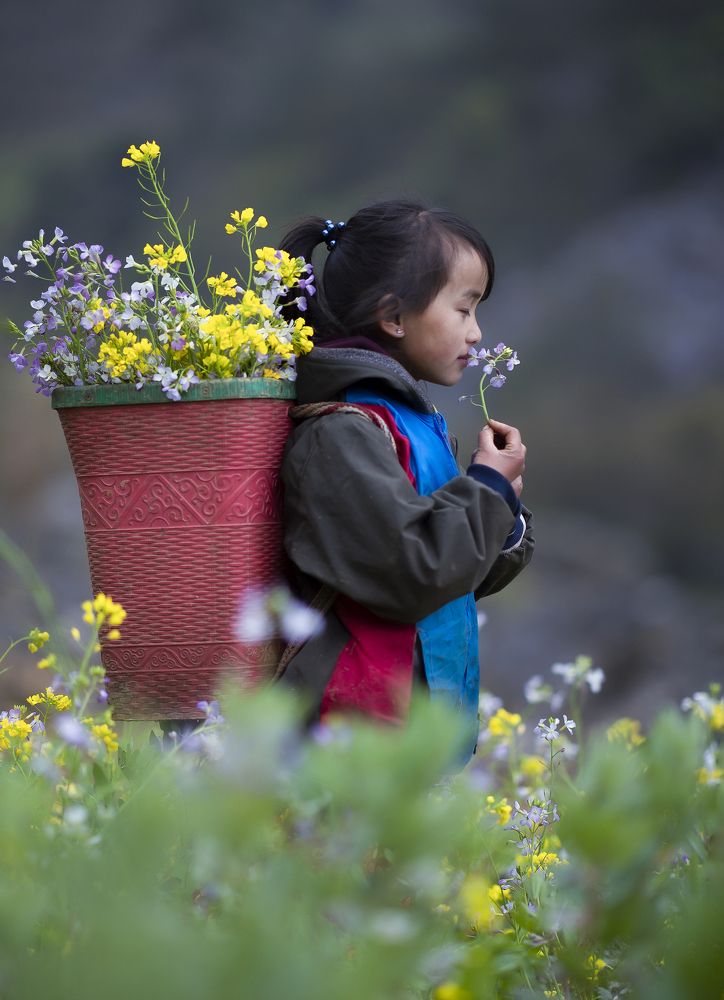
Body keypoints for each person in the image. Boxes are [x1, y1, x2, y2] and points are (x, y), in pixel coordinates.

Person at [277, 199, 533, 762]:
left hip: (409, 735)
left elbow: (457, 576)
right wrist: (484, 492)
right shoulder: (340, 432)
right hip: (352, 743)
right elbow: (412, 571)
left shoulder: (409, 422)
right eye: (463, 310)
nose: (477, 332)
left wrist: (501, 508)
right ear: (394, 317)